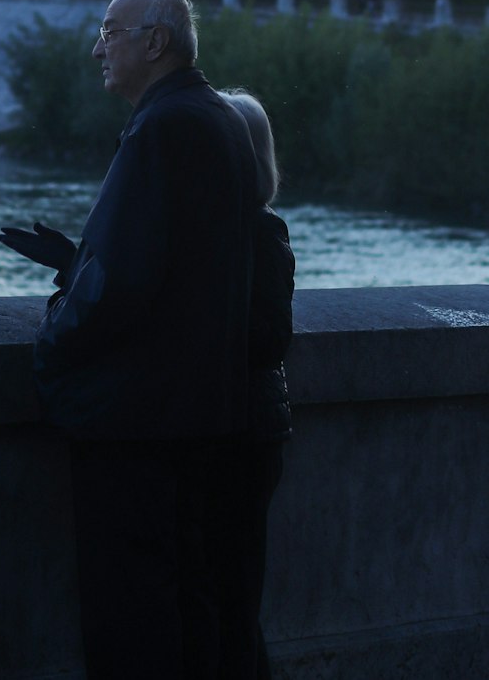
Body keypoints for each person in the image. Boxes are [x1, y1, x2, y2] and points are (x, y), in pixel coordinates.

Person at [0, 0, 258, 680]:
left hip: (136, 422)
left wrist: (51, 346)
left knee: (129, 612)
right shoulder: (222, 121)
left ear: (155, 41)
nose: (97, 48)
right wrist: (79, 260)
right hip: (202, 417)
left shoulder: (161, 127)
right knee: (189, 602)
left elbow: (121, 285)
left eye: (111, 32)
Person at [217, 91, 295, 680]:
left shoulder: (261, 233)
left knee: (233, 599)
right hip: (251, 424)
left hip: (243, 430)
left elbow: (269, 337)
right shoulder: (251, 228)